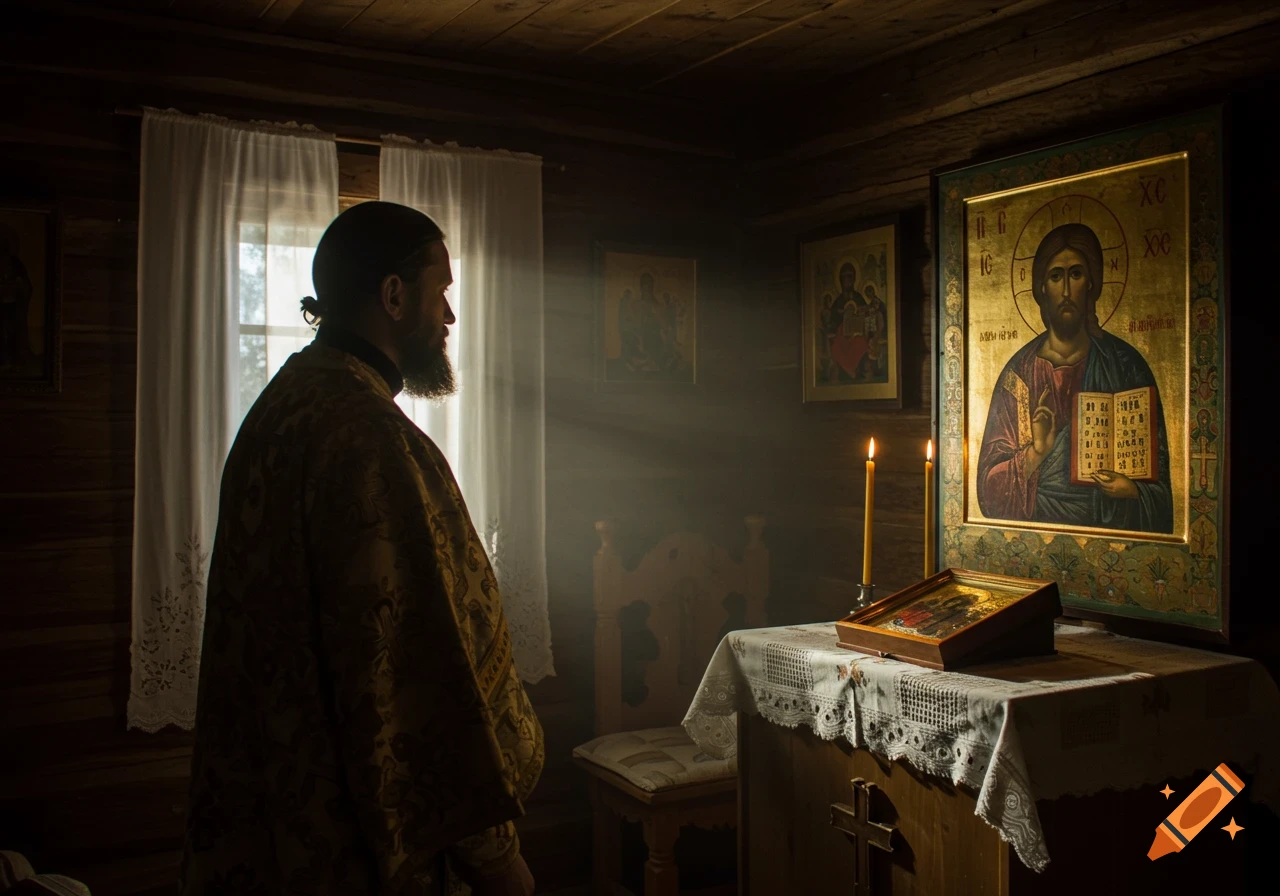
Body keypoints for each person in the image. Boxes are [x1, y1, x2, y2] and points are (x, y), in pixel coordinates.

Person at [180, 201, 544, 896]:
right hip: (355, 841)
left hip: (269, 826)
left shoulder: (282, 404)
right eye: (442, 292)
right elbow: (420, 667)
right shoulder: (371, 440)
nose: (450, 318)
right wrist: (496, 858)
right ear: (395, 296)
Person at [976, 222, 1173, 533]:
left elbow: (1163, 490)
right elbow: (988, 491)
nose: (1066, 291)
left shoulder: (1126, 366)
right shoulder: (1018, 375)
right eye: (1056, 276)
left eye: (1076, 274)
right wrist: (1037, 452)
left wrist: (1134, 490)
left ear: (1092, 284)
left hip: (1112, 532)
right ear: (1042, 287)